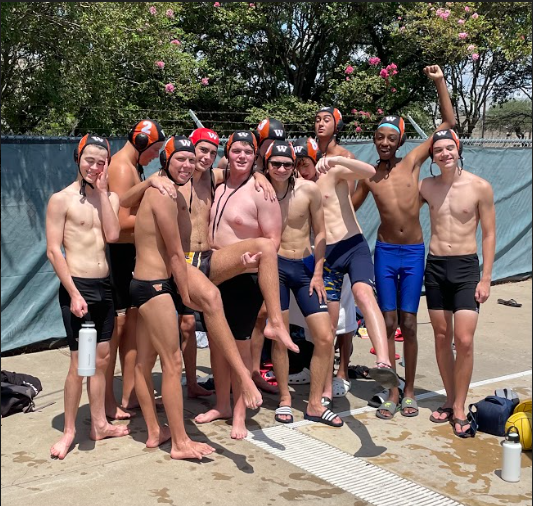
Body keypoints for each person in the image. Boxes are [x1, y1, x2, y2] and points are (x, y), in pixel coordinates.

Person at [130, 135, 263, 458]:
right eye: (181, 159)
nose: (188, 165)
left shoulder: (163, 187)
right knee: (172, 362)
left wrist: (258, 174)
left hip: (152, 280)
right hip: (156, 284)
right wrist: (187, 294)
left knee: (146, 362)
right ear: (166, 160)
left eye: (192, 160)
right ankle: (179, 442)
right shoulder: (163, 194)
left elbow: (122, 201)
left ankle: (153, 432)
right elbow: (176, 255)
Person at [352, 64, 455, 419]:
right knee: (390, 322)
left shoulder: (411, 162)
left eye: (390, 138)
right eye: (379, 137)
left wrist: (440, 83)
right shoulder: (367, 176)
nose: (384, 143)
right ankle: (392, 391)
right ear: (374, 140)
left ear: (400, 140)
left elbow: (448, 124)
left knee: (409, 324)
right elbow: (345, 210)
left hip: (412, 252)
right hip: (384, 253)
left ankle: (409, 391)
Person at [196, 130, 285, 439]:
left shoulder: (262, 192)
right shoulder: (218, 184)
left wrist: (253, 262)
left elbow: (272, 242)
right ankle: (222, 403)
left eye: (249, 152)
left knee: (239, 345)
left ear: (255, 155)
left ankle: (239, 414)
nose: (242, 156)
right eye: (237, 151)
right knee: (218, 346)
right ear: (228, 154)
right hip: (214, 271)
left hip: (244, 276)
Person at [46, 135, 130, 460]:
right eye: (89, 160)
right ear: (77, 158)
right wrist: (73, 293)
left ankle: (99, 423)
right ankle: (69, 431)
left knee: (103, 360)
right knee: (78, 364)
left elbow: (112, 234)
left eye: (101, 161)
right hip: (77, 287)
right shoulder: (61, 199)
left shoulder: (110, 198)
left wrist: (104, 192)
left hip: (104, 288)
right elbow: (54, 251)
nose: (94, 166)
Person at [313, 107, 400, 393]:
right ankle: (326, 387)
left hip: (352, 244)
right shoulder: (297, 183)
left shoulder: (333, 166)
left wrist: (337, 159)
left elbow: (370, 171)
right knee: (329, 322)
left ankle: (384, 362)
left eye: (326, 119)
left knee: (364, 295)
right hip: (327, 254)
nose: (320, 123)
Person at [420, 129, 495, 438]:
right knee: (441, 336)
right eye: (439, 150)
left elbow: (489, 233)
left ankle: (461, 406)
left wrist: (486, 276)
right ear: (433, 156)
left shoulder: (480, 187)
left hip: (466, 269)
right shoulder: (425, 186)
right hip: (435, 266)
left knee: (463, 340)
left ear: (457, 149)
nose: (445, 154)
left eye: (450, 148)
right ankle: (450, 400)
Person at [263, 140, 343, 427]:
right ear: (267, 164)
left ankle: (314, 404)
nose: (282, 169)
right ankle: (285, 398)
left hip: (306, 267)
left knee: (324, 335)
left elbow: (320, 232)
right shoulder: (261, 189)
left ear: (295, 165)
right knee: (280, 334)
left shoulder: (309, 190)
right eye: (276, 164)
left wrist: (319, 271)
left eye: (288, 164)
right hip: (276, 267)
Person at [105, 119, 166, 419]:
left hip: (129, 254)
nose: (155, 156)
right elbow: (117, 223)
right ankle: (107, 399)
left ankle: (129, 394)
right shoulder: (120, 167)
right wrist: (154, 219)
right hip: (116, 256)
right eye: (154, 150)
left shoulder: (134, 166)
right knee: (116, 329)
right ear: (141, 143)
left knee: (130, 324)